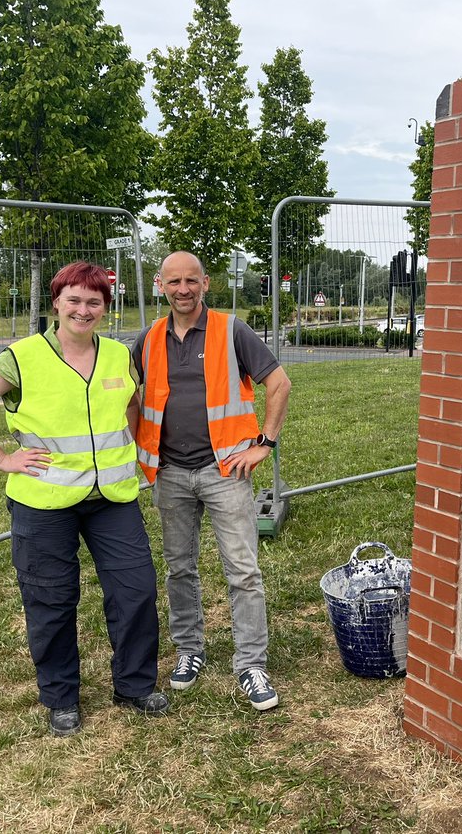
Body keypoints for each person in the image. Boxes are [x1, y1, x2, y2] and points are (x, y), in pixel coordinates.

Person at [0, 261, 167, 736]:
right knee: (50, 599)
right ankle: (61, 696)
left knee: (136, 591)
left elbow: (132, 401)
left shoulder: (116, 354)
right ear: (56, 303)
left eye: (94, 301)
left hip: (111, 497)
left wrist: (128, 446)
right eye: (74, 300)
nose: (83, 310)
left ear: (105, 308)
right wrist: (3, 459)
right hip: (43, 503)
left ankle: (134, 685)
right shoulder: (22, 356)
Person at [133, 251, 291, 711]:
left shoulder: (231, 330)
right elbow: (124, 394)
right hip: (170, 472)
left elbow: (278, 383)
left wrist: (264, 442)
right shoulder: (146, 340)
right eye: (174, 281)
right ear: (160, 284)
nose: (183, 289)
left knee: (243, 571)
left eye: (192, 280)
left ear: (206, 283)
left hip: (225, 471)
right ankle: (190, 652)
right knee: (179, 567)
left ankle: (250, 665)